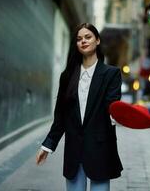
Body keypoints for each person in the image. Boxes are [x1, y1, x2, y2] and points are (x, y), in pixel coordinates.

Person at [36, 23, 123, 191]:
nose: (83, 41)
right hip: (74, 151)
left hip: (100, 148)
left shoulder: (111, 74)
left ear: (97, 40)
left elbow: (112, 105)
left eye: (88, 37)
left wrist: (118, 116)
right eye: (79, 39)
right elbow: (60, 116)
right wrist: (47, 146)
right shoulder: (67, 76)